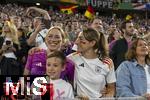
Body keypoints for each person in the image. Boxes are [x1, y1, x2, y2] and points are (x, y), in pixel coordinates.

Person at [68, 27, 116, 99]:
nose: (76, 42)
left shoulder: (107, 62)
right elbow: (49, 72)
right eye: (77, 38)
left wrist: (108, 95)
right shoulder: (73, 58)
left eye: (81, 40)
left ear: (92, 43)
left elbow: (111, 88)